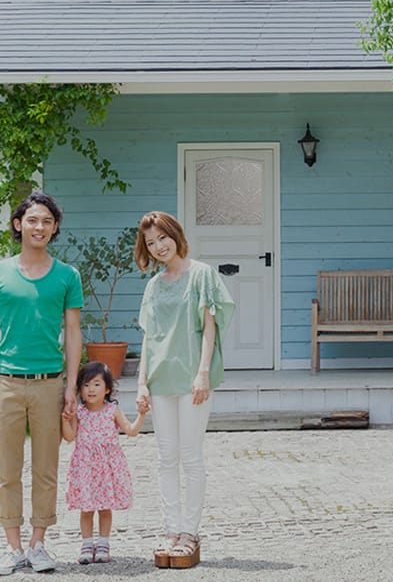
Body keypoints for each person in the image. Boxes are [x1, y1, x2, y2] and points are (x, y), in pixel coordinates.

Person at [134, 211, 234, 569]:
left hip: (192, 378)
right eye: (150, 242)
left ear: (175, 235)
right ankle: (172, 530)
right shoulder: (154, 285)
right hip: (160, 380)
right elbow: (149, 338)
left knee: (191, 457)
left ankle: (190, 533)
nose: (159, 247)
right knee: (165, 458)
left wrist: (203, 373)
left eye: (163, 238)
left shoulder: (202, 275)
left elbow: (210, 328)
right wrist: (142, 382)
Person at [0, 192, 83, 575]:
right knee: (6, 470)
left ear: (54, 228)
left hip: (50, 383)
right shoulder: (2, 271)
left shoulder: (67, 276)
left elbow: (73, 330)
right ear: (18, 225)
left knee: (46, 468)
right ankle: (12, 548)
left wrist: (70, 386)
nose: (39, 227)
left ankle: (38, 545)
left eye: (47, 221)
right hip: (6, 383)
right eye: (32, 220)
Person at [62, 361, 146, 565]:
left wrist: (142, 414)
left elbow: (131, 431)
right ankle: (86, 543)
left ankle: (103, 543)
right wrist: (66, 419)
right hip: (85, 467)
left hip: (106, 468)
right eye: (86, 384)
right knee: (86, 508)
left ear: (107, 388)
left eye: (97, 384)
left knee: (105, 507)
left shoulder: (112, 410)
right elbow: (70, 436)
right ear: (80, 389)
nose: (91, 389)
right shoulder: (80, 412)